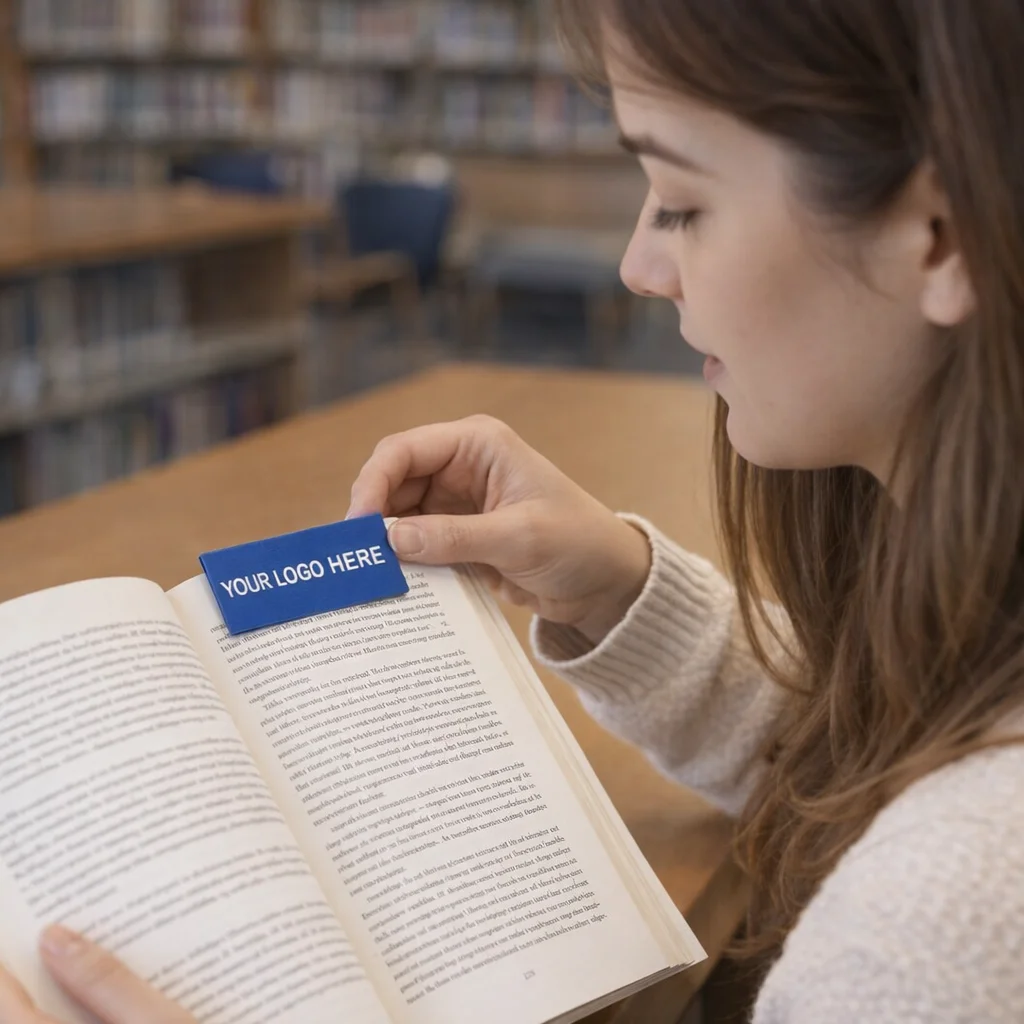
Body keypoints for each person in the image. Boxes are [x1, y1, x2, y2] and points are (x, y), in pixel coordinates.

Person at [4, 0, 1021, 1021]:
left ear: (936, 238)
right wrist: (623, 596)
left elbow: (929, 855)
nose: (638, 265)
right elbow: (873, 771)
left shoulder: (939, 925)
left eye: (679, 199)